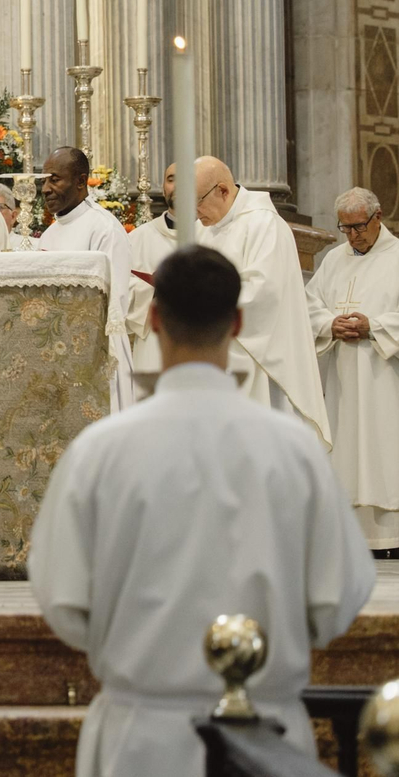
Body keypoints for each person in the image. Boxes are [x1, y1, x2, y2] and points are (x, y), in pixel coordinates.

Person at [29, 245, 374, 777]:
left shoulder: (101, 449)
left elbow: (62, 597)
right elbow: (341, 593)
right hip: (267, 731)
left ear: (153, 318)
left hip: (144, 734)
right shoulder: (294, 449)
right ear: (237, 321)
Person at [194, 156, 329, 442]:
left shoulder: (265, 225)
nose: (196, 212)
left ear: (223, 190)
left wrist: (201, 296)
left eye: (199, 201)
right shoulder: (205, 230)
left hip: (256, 359)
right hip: (212, 353)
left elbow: (263, 293)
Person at [306, 187, 399, 553]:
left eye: (358, 226)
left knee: (383, 449)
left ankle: (390, 536)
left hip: (384, 377)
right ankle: (347, 536)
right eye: (345, 229)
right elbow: (309, 306)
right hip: (343, 376)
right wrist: (330, 324)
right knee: (345, 449)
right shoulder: (333, 261)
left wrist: (373, 326)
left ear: (378, 218)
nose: (353, 236)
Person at [37, 147, 136, 411]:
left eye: (54, 179)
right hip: (58, 347)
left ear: (81, 181)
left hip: (99, 349)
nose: (45, 188)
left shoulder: (104, 228)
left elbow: (115, 304)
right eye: (43, 180)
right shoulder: (49, 233)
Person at [125, 164, 178, 379]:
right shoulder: (138, 238)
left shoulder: (214, 233)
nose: (177, 186)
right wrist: (154, 292)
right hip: (153, 344)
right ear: (164, 188)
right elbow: (118, 287)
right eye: (171, 179)